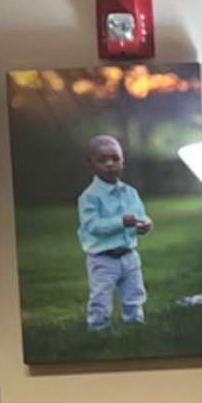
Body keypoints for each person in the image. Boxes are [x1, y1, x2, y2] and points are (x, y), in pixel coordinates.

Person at [77, 131, 155, 330]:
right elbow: (93, 226)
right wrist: (121, 222)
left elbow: (140, 215)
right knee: (101, 295)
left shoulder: (130, 192)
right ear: (91, 165)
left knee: (134, 292)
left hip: (129, 255)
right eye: (102, 160)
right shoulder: (90, 196)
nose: (110, 163)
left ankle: (135, 323)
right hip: (103, 258)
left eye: (115, 158)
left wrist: (145, 224)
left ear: (123, 162)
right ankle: (98, 327)